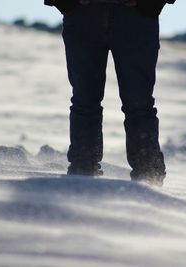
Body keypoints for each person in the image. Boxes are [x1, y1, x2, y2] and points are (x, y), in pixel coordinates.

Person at [45, 0, 175, 185]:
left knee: (138, 104)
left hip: (135, 17)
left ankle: (149, 179)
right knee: (85, 101)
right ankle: (82, 174)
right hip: (84, 15)